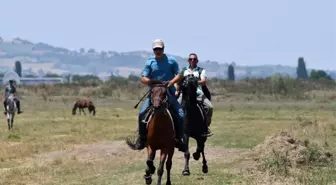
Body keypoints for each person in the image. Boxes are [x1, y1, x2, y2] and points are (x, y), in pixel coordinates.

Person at [134, 39, 186, 152]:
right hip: (154, 94)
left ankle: (180, 139)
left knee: (181, 115)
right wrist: (151, 82)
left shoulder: (171, 61)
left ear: (163, 48)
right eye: (155, 49)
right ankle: (142, 139)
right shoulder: (150, 62)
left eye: (160, 48)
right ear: (153, 50)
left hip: (169, 94)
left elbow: (180, 74)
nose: (158, 51)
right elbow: (143, 78)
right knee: (142, 113)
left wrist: (171, 83)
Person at [175, 53, 213, 137]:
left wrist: (194, 82)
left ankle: (205, 127)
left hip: (198, 93)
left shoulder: (201, 70)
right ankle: (176, 129)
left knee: (210, 107)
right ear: (188, 60)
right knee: (176, 108)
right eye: (191, 59)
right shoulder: (183, 70)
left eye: (194, 59)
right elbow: (178, 81)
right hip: (184, 94)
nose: (192, 60)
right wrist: (177, 90)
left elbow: (203, 81)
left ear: (197, 61)